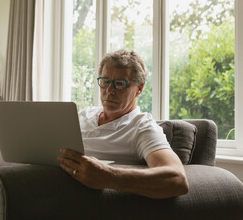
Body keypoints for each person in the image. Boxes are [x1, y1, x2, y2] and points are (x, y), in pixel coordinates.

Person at [57, 49, 189, 199]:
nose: (109, 90)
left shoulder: (142, 127)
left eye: (119, 84)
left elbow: (177, 179)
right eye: (105, 82)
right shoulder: (84, 114)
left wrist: (109, 176)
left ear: (139, 89)